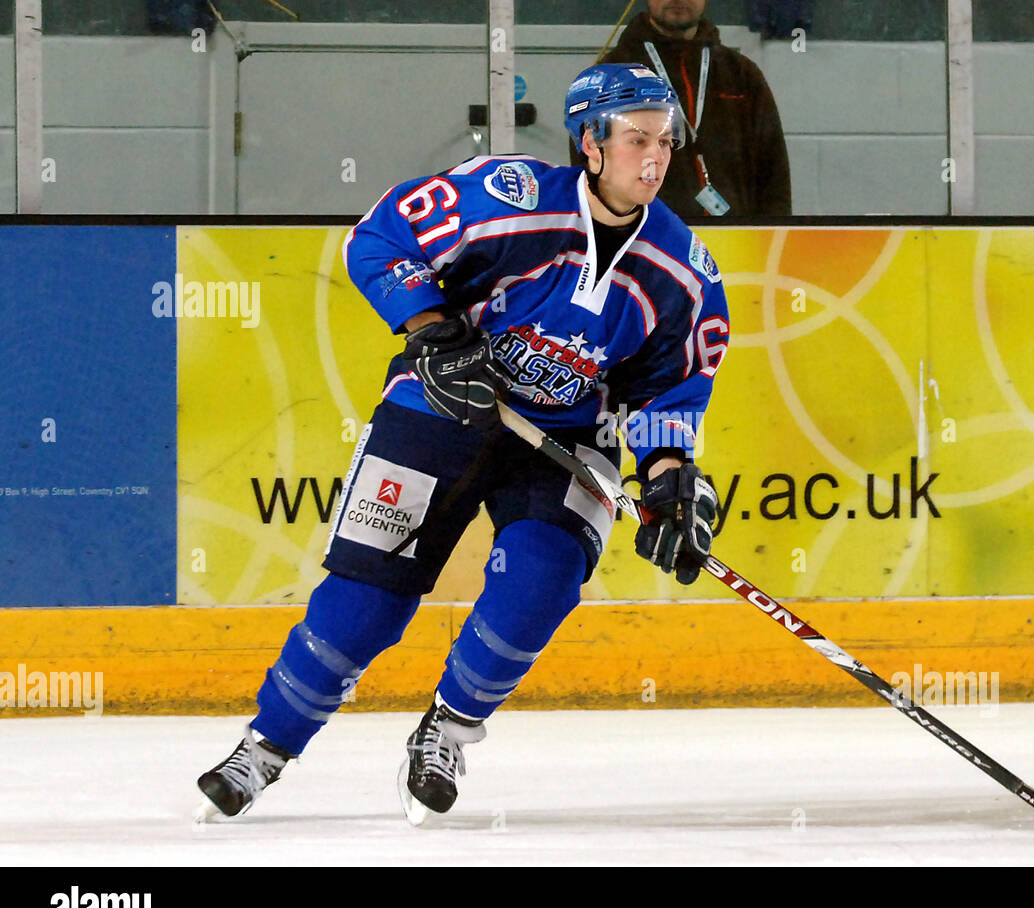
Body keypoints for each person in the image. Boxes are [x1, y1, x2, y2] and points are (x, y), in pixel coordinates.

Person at [194, 64, 730, 826]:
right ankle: (267, 747)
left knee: (540, 583)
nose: (654, 158)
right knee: (363, 607)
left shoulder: (684, 271)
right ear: (590, 142)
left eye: (666, 142)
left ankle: (448, 726)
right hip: (440, 408)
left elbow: (669, 388)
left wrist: (672, 475)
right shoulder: (508, 197)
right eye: (637, 138)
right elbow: (379, 238)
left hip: (566, 438)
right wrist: (433, 333)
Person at [598, 0, 792, 217]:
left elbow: (774, 177)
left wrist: (774, 236)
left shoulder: (741, 75)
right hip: (647, 242)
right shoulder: (610, 78)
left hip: (737, 242)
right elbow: (594, 176)